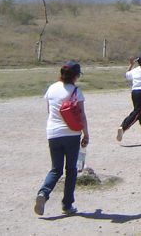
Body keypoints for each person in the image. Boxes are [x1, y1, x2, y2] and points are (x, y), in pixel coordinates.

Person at [35, 60, 89, 217]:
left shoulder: (51, 88)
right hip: (71, 134)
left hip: (53, 133)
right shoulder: (76, 91)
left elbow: (49, 111)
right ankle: (67, 204)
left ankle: (43, 193)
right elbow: (82, 115)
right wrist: (86, 134)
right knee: (71, 170)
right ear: (76, 76)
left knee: (56, 169)